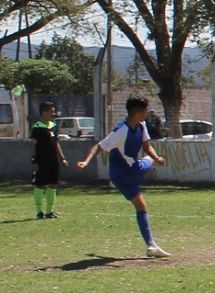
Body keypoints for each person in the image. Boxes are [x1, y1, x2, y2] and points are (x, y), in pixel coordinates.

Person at [75, 96, 171, 257]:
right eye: (146, 110)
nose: (148, 113)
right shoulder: (121, 130)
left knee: (141, 206)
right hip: (130, 171)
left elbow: (146, 146)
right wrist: (85, 162)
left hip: (119, 177)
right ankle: (151, 245)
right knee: (147, 161)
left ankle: (151, 246)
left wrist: (156, 157)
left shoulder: (141, 125)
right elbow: (98, 146)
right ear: (138, 112)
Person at [30, 102, 68, 219]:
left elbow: (56, 143)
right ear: (44, 112)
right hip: (41, 161)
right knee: (40, 186)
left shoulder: (53, 125)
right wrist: (34, 161)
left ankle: (49, 211)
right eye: (51, 111)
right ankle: (39, 212)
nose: (53, 113)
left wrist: (62, 158)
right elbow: (32, 145)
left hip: (53, 161)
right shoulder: (37, 127)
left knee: (52, 185)